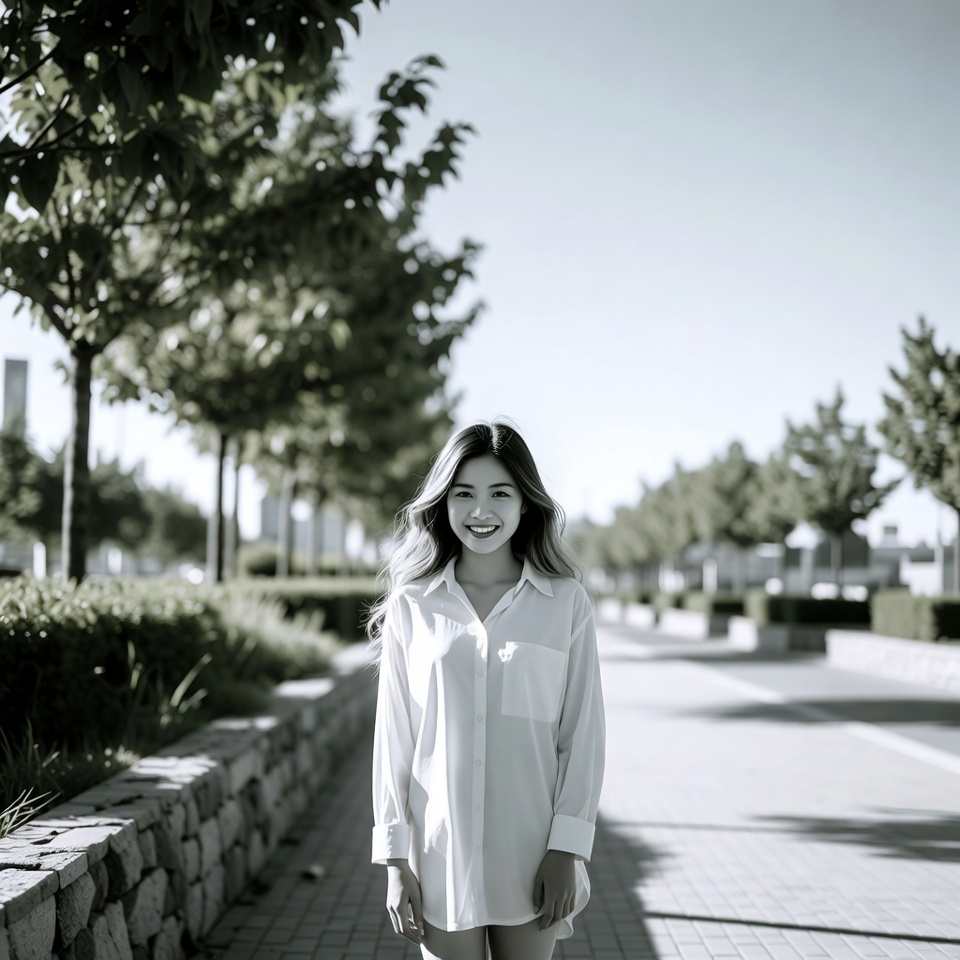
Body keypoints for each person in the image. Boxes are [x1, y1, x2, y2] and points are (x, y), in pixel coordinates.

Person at [369, 421, 606, 960]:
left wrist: (567, 849)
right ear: (442, 503)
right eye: (464, 494)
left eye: (500, 493)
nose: (481, 511)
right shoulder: (412, 605)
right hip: (437, 859)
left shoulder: (565, 603)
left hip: (533, 856)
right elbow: (394, 742)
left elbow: (582, 736)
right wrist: (395, 860)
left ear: (526, 504)